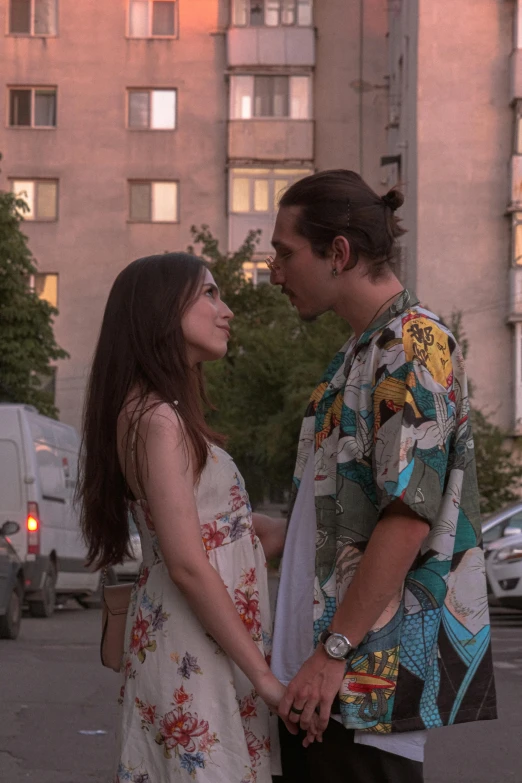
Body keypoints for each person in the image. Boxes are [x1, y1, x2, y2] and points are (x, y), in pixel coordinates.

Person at [267, 170, 497, 783]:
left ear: (337, 252)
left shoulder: (415, 347)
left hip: (360, 684)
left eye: (284, 253)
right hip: (323, 684)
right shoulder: (359, 353)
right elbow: (350, 517)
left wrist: (333, 653)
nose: (273, 272)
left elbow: (406, 520)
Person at [77, 253, 288, 783]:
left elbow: (216, 531)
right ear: (162, 312)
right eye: (210, 294)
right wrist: (264, 678)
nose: (228, 310)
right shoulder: (156, 419)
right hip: (198, 649)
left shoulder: (158, 412)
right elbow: (189, 562)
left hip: (212, 646)